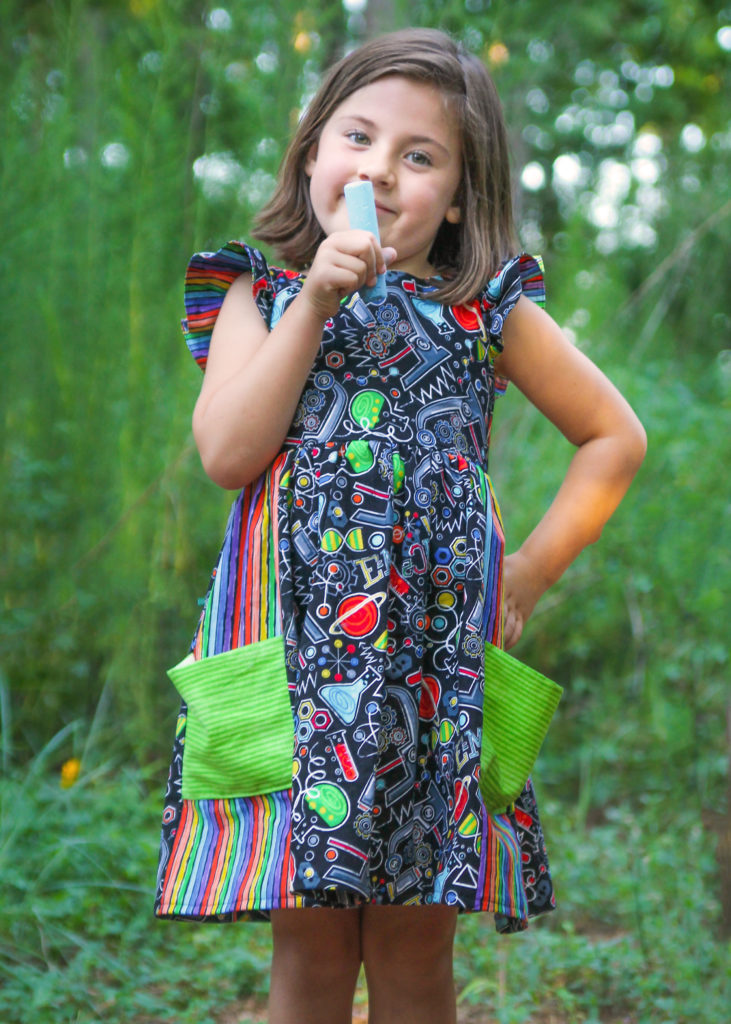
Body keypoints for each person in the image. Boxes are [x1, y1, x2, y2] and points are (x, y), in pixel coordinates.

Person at [155, 27, 646, 1024]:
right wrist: (317, 302)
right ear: (309, 153)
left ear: (457, 195)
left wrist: (527, 573)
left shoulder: (484, 311)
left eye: (418, 156)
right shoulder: (259, 291)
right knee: (311, 939)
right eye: (357, 136)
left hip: (431, 671)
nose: (377, 168)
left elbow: (612, 436)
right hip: (297, 664)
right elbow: (226, 455)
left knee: (417, 940)